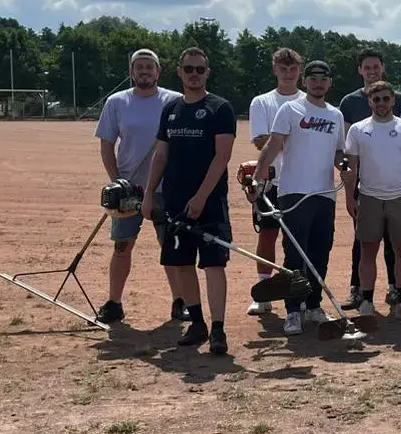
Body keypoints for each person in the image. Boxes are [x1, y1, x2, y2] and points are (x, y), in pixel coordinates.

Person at [143, 48, 236, 355]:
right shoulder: (170, 109)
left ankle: (218, 328)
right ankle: (197, 323)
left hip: (210, 202)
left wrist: (201, 197)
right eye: (188, 69)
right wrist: (149, 193)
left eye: (199, 69)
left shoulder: (219, 108)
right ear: (179, 72)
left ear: (207, 73)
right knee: (181, 263)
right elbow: (161, 155)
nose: (194, 74)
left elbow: (222, 157)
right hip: (174, 202)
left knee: (213, 265)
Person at [250, 59, 344, 336]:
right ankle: (293, 311)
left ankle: (313, 305)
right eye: (313, 77)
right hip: (293, 193)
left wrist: (345, 166)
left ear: (330, 83)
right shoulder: (290, 109)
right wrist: (257, 178)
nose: (318, 82)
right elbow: (273, 145)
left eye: (323, 78)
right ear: (306, 81)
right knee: (294, 253)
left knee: (320, 251)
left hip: (325, 194)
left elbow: (339, 152)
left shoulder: (336, 115)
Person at [94, 48, 182, 325]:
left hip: (166, 188)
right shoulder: (117, 102)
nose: (144, 71)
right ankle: (114, 303)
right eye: (139, 67)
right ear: (132, 72)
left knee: (170, 248)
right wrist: (117, 181)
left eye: (149, 67)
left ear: (158, 71)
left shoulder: (174, 101)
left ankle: (180, 302)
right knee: (122, 247)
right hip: (128, 191)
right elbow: (107, 145)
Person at [342, 81, 401, 320]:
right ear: (369, 101)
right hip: (369, 197)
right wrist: (350, 198)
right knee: (368, 251)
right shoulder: (357, 129)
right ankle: (367, 301)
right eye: (376, 99)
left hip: (400, 196)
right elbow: (351, 167)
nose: (381, 103)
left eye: (385, 99)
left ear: (393, 100)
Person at [339, 49, 401, 309]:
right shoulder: (349, 102)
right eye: (367, 67)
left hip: (393, 181)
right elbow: (347, 147)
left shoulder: (398, 99)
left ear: (382, 67)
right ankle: (358, 289)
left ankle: (394, 287)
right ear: (360, 70)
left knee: (393, 239)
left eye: (376, 66)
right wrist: (349, 181)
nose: (372, 71)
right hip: (363, 183)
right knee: (363, 240)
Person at [244, 47, 306, 319]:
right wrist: (294, 140)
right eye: (283, 68)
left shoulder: (308, 101)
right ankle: (263, 293)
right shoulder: (262, 102)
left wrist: (279, 139)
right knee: (267, 235)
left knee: (297, 241)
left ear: (299, 71)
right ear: (275, 70)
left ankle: (299, 293)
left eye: (293, 69)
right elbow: (260, 141)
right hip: (271, 181)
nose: (288, 74)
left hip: (301, 181)